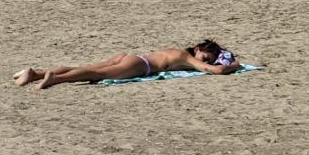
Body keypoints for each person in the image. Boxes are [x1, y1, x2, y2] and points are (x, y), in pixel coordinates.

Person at [13, 39, 240, 90]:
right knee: (94, 73)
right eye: (205, 57)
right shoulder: (186, 56)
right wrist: (233, 66)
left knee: (89, 67)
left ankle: (35, 73)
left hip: (131, 57)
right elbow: (217, 70)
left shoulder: (175, 52)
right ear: (198, 49)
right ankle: (55, 79)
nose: (204, 62)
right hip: (140, 65)